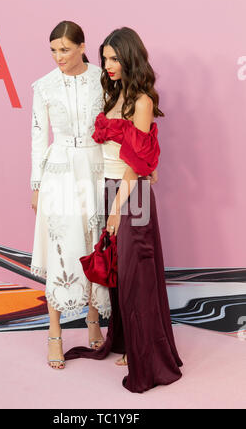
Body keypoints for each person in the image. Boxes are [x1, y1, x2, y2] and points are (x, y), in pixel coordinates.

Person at [64, 27, 183, 393]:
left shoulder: (142, 101)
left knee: (137, 278)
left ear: (130, 57)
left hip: (133, 198)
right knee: (122, 277)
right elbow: (141, 152)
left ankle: (146, 355)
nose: (108, 65)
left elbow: (137, 162)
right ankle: (132, 344)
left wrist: (117, 206)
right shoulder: (113, 95)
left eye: (115, 58)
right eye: (105, 58)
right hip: (111, 191)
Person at [30, 21, 111, 369]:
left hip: (95, 167)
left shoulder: (102, 79)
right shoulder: (43, 86)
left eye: (64, 49)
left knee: (94, 245)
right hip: (60, 172)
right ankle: (54, 334)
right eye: (53, 50)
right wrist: (35, 184)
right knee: (62, 247)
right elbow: (37, 138)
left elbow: (112, 126)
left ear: (81, 46)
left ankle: (94, 322)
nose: (58, 56)